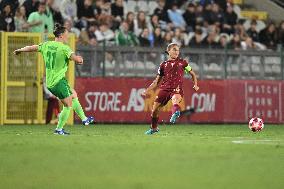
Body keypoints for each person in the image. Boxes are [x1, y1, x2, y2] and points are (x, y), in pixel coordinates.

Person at [13, 23, 94, 135]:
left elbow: (32, 47)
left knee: (74, 94)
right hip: (58, 81)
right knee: (68, 105)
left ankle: (84, 119)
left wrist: (20, 50)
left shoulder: (47, 45)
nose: (68, 36)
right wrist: (80, 59)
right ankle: (59, 129)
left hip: (50, 82)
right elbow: (77, 60)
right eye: (66, 34)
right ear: (61, 36)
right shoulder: (65, 48)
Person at [142, 43, 199, 135]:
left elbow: (192, 74)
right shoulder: (163, 65)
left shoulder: (183, 62)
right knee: (155, 110)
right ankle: (154, 128)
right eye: (174, 49)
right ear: (168, 51)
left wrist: (195, 84)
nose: (177, 52)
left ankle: (175, 113)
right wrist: (147, 90)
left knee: (175, 100)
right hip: (164, 89)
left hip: (176, 89)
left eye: (178, 50)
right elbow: (156, 81)